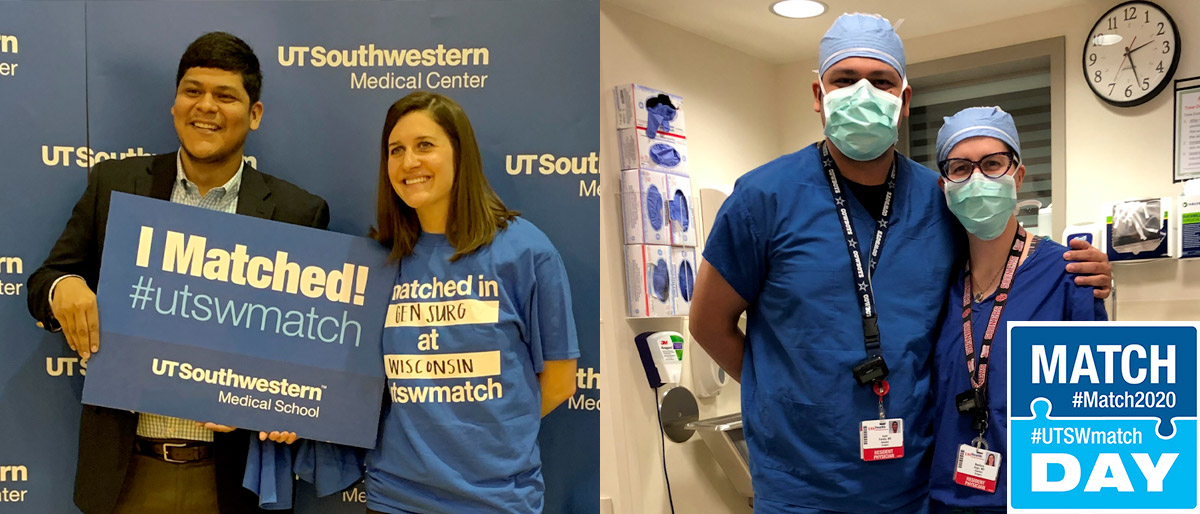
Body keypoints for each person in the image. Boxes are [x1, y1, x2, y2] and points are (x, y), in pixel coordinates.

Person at [688, 13, 1112, 513]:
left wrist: (1088, 271)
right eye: (845, 79)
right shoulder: (763, 197)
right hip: (800, 488)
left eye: (882, 80)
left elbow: (1000, 259)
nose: (863, 92)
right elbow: (708, 323)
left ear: (904, 100)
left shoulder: (939, 203)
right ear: (819, 95)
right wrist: (786, 396)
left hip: (912, 484)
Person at [26, 32, 329, 514]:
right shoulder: (115, 185)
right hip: (127, 474)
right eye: (193, 91)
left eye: (225, 95)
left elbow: (306, 348)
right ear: (174, 105)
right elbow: (44, 282)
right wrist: (65, 287)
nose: (205, 106)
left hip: (231, 479)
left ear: (254, 115)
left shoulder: (297, 213)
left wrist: (273, 403)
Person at [364, 91, 579, 513]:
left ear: (460, 153)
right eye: (396, 150)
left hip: (495, 500)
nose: (409, 162)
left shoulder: (525, 251)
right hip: (396, 497)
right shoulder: (381, 260)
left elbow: (560, 381)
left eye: (425, 145)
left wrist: (487, 442)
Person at [928, 107, 1107, 513]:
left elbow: (1097, 419)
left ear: (1018, 176)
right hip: (943, 498)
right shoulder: (935, 285)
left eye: (993, 164)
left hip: (1039, 499)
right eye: (960, 168)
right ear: (944, 185)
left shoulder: (1070, 277)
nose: (977, 179)